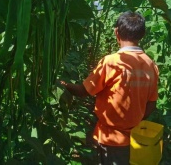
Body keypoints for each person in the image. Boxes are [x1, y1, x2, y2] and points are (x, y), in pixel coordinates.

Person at [60, 11, 159, 165]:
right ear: (143, 34)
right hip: (137, 137)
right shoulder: (151, 65)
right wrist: (132, 120)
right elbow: (151, 104)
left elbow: (84, 91)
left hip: (111, 138)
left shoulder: (111, 62)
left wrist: (64, 85)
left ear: (116, 32)